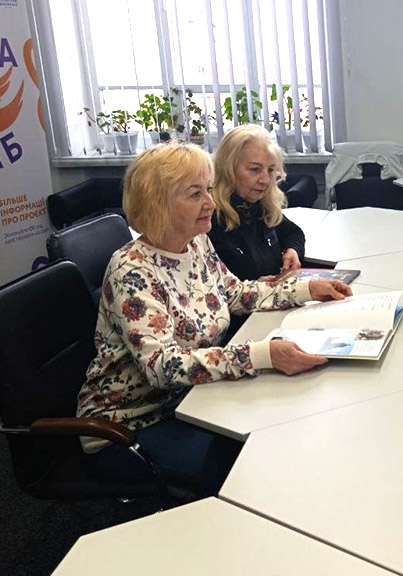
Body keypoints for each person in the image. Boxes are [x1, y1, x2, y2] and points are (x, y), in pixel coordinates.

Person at [76, 141, 351, 496]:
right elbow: (162, 367)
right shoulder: (132, 270)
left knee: (280, 426)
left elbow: (234, 294)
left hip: (193, 397)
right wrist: (262, 355)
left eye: (207, 189)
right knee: (250, 460)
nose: (210, 202)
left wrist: (307, 289)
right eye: (196, 194)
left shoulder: (196, 243)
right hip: (131, 424)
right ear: (157, 203)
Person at [209, 124, 306, 282]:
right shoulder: (208, 217)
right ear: (228, 169)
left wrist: (293, 250)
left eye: (271, 170)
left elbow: (293, 232)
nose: (265, 180)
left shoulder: (261, 205)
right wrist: (254, 289)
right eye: (255, 169)